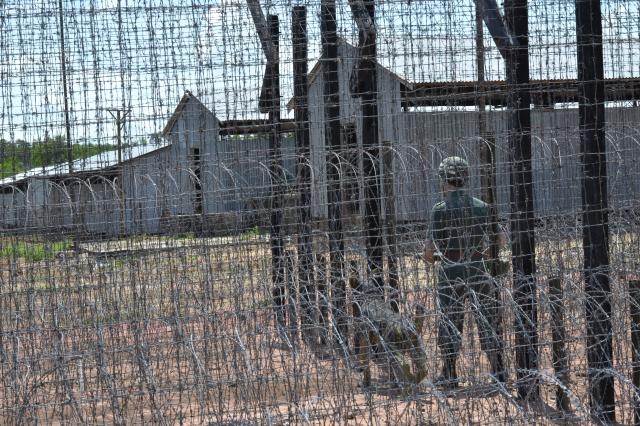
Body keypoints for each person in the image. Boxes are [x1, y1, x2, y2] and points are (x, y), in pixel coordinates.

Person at [423, 156, 506, 389]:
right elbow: (500, 239)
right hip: (478, 271)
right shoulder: (481, 206)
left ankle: (449, 373)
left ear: (443, 180)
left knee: (450, 322)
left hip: (451, 273)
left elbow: (429, 252)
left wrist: (432, 256)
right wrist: (484, 253)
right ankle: (499, 372)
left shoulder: (440, 210)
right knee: (488, 320)